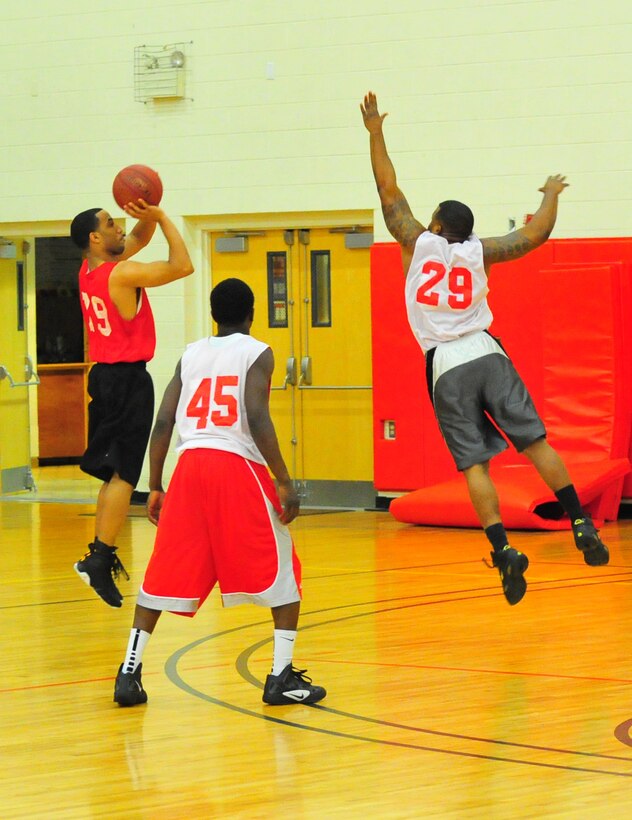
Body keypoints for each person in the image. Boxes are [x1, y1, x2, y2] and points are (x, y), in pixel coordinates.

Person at [360, 91, 609, 605]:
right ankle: (581, 520)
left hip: (446, 364)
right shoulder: (484, 251)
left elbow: (388, 187)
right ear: (467, 233)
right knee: (538, 444)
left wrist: (375, 133)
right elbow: (537, 235)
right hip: (488, 352)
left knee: (475, 467)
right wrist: (551, 194)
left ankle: (503, 552)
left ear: (433, 226)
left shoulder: (415, 240)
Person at [113, 277, 326, 707]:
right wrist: (283, 479)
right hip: (234, 465)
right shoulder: (257, 351)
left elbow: (164, 421)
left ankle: (129, 672)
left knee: (164, 570)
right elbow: (255, 414)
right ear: (252, 314)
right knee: (283, 571)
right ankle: (280, 676)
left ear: (214, 314)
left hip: (189, 467)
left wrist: (155, 484)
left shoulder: (191, 353)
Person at [70, 201, 194, 608]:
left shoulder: (89, 272)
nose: (119, 227)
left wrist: (148, 213)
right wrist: (162, 216)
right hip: (126, 380)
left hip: (102, 377)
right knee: (124, 475)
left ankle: (98, 555)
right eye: (110, 224)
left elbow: (133, 241)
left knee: (112, 475)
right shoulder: (123, 274)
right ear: (94, 237)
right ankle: (101, 557)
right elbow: (182, 266)